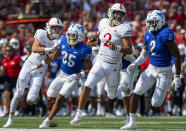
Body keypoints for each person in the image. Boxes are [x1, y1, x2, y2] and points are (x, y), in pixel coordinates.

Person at [70, 3, 133, 125]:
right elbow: (102, 38)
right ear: (110, 13)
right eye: (116, 13)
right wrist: (94, 41)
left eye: (121, 14)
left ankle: (123, 88)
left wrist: (117, 47)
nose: (118, 16)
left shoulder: (124, 28)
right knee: (88, 85)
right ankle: (78, 116)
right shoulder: (103, 23)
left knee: (111, 94)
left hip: (114, 65)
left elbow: (129, 49)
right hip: (100, 60)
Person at [121, 10, 181, 129]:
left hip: (164, 71)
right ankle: (132, 122)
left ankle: (168, 87)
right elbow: (144, 54)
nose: (150, 25)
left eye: (153, 22)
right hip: (151, 68)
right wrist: (136, 63)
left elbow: (177, 56)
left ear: (160, 22)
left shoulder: (166, 34)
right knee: (136, 92)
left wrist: (177, 76)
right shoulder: (148, 33)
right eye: (149, 22)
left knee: (155, 103)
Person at [3, 17, 63, 128]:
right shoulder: (41, 33)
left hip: (40, 69)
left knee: (30, 100)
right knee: (18, 93)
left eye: (59, 29)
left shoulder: (59, 41)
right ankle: (10, 119)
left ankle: (35, 99)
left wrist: (43, 64)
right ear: (49, 28)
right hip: (29, 65)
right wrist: (48, 50)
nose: (57, 31)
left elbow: (50, 58)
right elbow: (34, 48)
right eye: (55, 29)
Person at [37, 24, 92, 128]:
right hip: (61, 74)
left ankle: (47, 121)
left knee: (60, 98)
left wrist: (79, 75)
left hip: (73, 78)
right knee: (49, 97)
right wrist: (44, 63)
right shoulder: (63, 41)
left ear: (80, 36)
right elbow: (56, 54)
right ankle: (57, 110)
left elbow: (90, 68)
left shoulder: (85, 49)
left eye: (73, 36)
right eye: (69, 35)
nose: (70, 38)